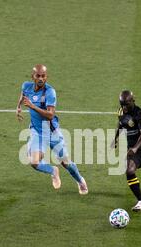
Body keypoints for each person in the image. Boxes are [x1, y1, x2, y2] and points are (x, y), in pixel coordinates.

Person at [16, 64, 88, 195]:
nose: (41, 79)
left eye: (43, 76)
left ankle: (80, 180)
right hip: (37, 131)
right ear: (33, 77)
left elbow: (50, 115)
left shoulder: (50, 92)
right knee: (34, 162)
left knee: (66, 163)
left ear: (46, 77)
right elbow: (23, 95)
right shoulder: (26, 86)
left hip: (51, 131)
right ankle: (53, 171)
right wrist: (19, 107)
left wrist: (32, 106)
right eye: (38, 76)